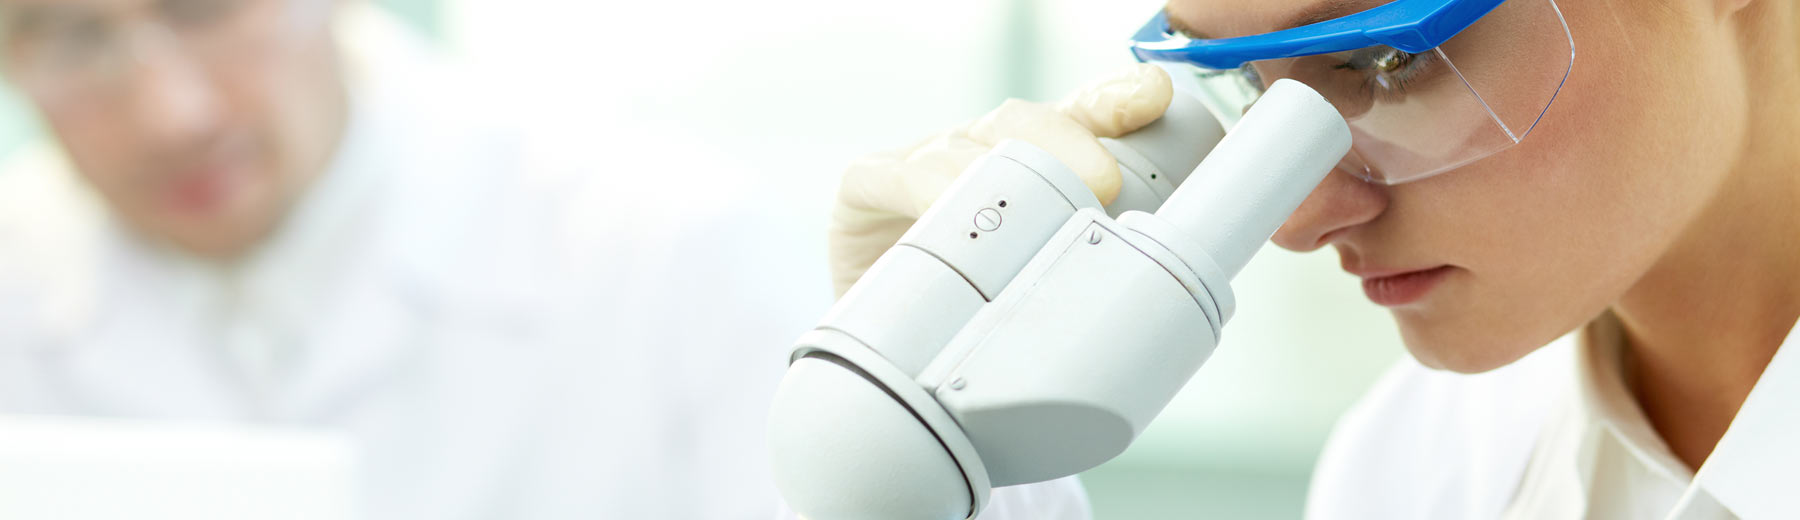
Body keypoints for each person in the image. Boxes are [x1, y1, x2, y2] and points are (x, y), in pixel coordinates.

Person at [0, 0, 1093, 518]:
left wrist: (933, 385)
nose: (170, 114)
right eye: (64, 36)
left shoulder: (664, 248)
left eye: (204, 9)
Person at [832, 0, 1800, 518]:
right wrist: (940, 448)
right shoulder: (1418, 464)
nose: (1294, 221)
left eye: (1391, 60)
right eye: (1242, 87)